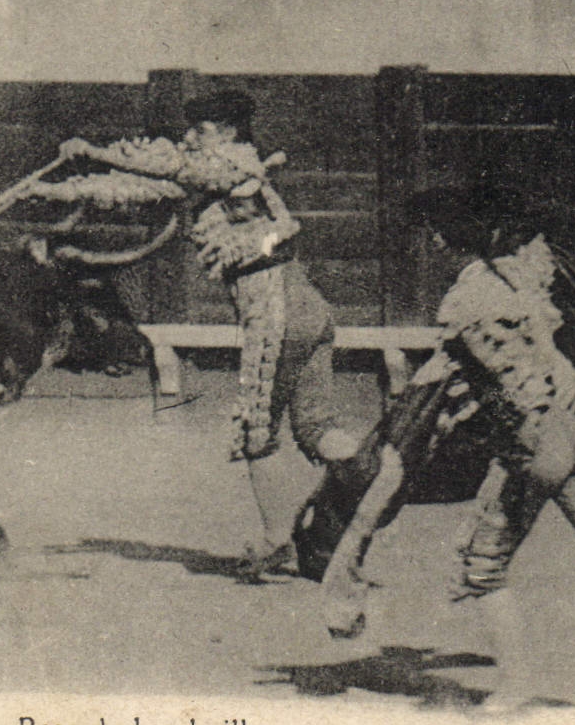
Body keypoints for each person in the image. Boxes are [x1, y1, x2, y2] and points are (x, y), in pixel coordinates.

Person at [305, 179, 575, 708]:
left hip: (530, 447)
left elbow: (436, 387)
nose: (431, 241)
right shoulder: (530, 278)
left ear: (458, 235)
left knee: (481, 569)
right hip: (569, 434)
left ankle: (514, 684)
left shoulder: (470, 298)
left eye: (436, 231)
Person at [59, 98, 366, 572]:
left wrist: (93, 150)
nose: (190, 137)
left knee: (255, 434)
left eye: (200, 129)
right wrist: (62, 190)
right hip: (308, 304)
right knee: (317, 425)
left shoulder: (230, 163)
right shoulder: (228, 172)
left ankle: (277, 539)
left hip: (274, 308)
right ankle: (358, 509)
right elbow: (146, 188)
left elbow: (173, 165)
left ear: (226, 131)